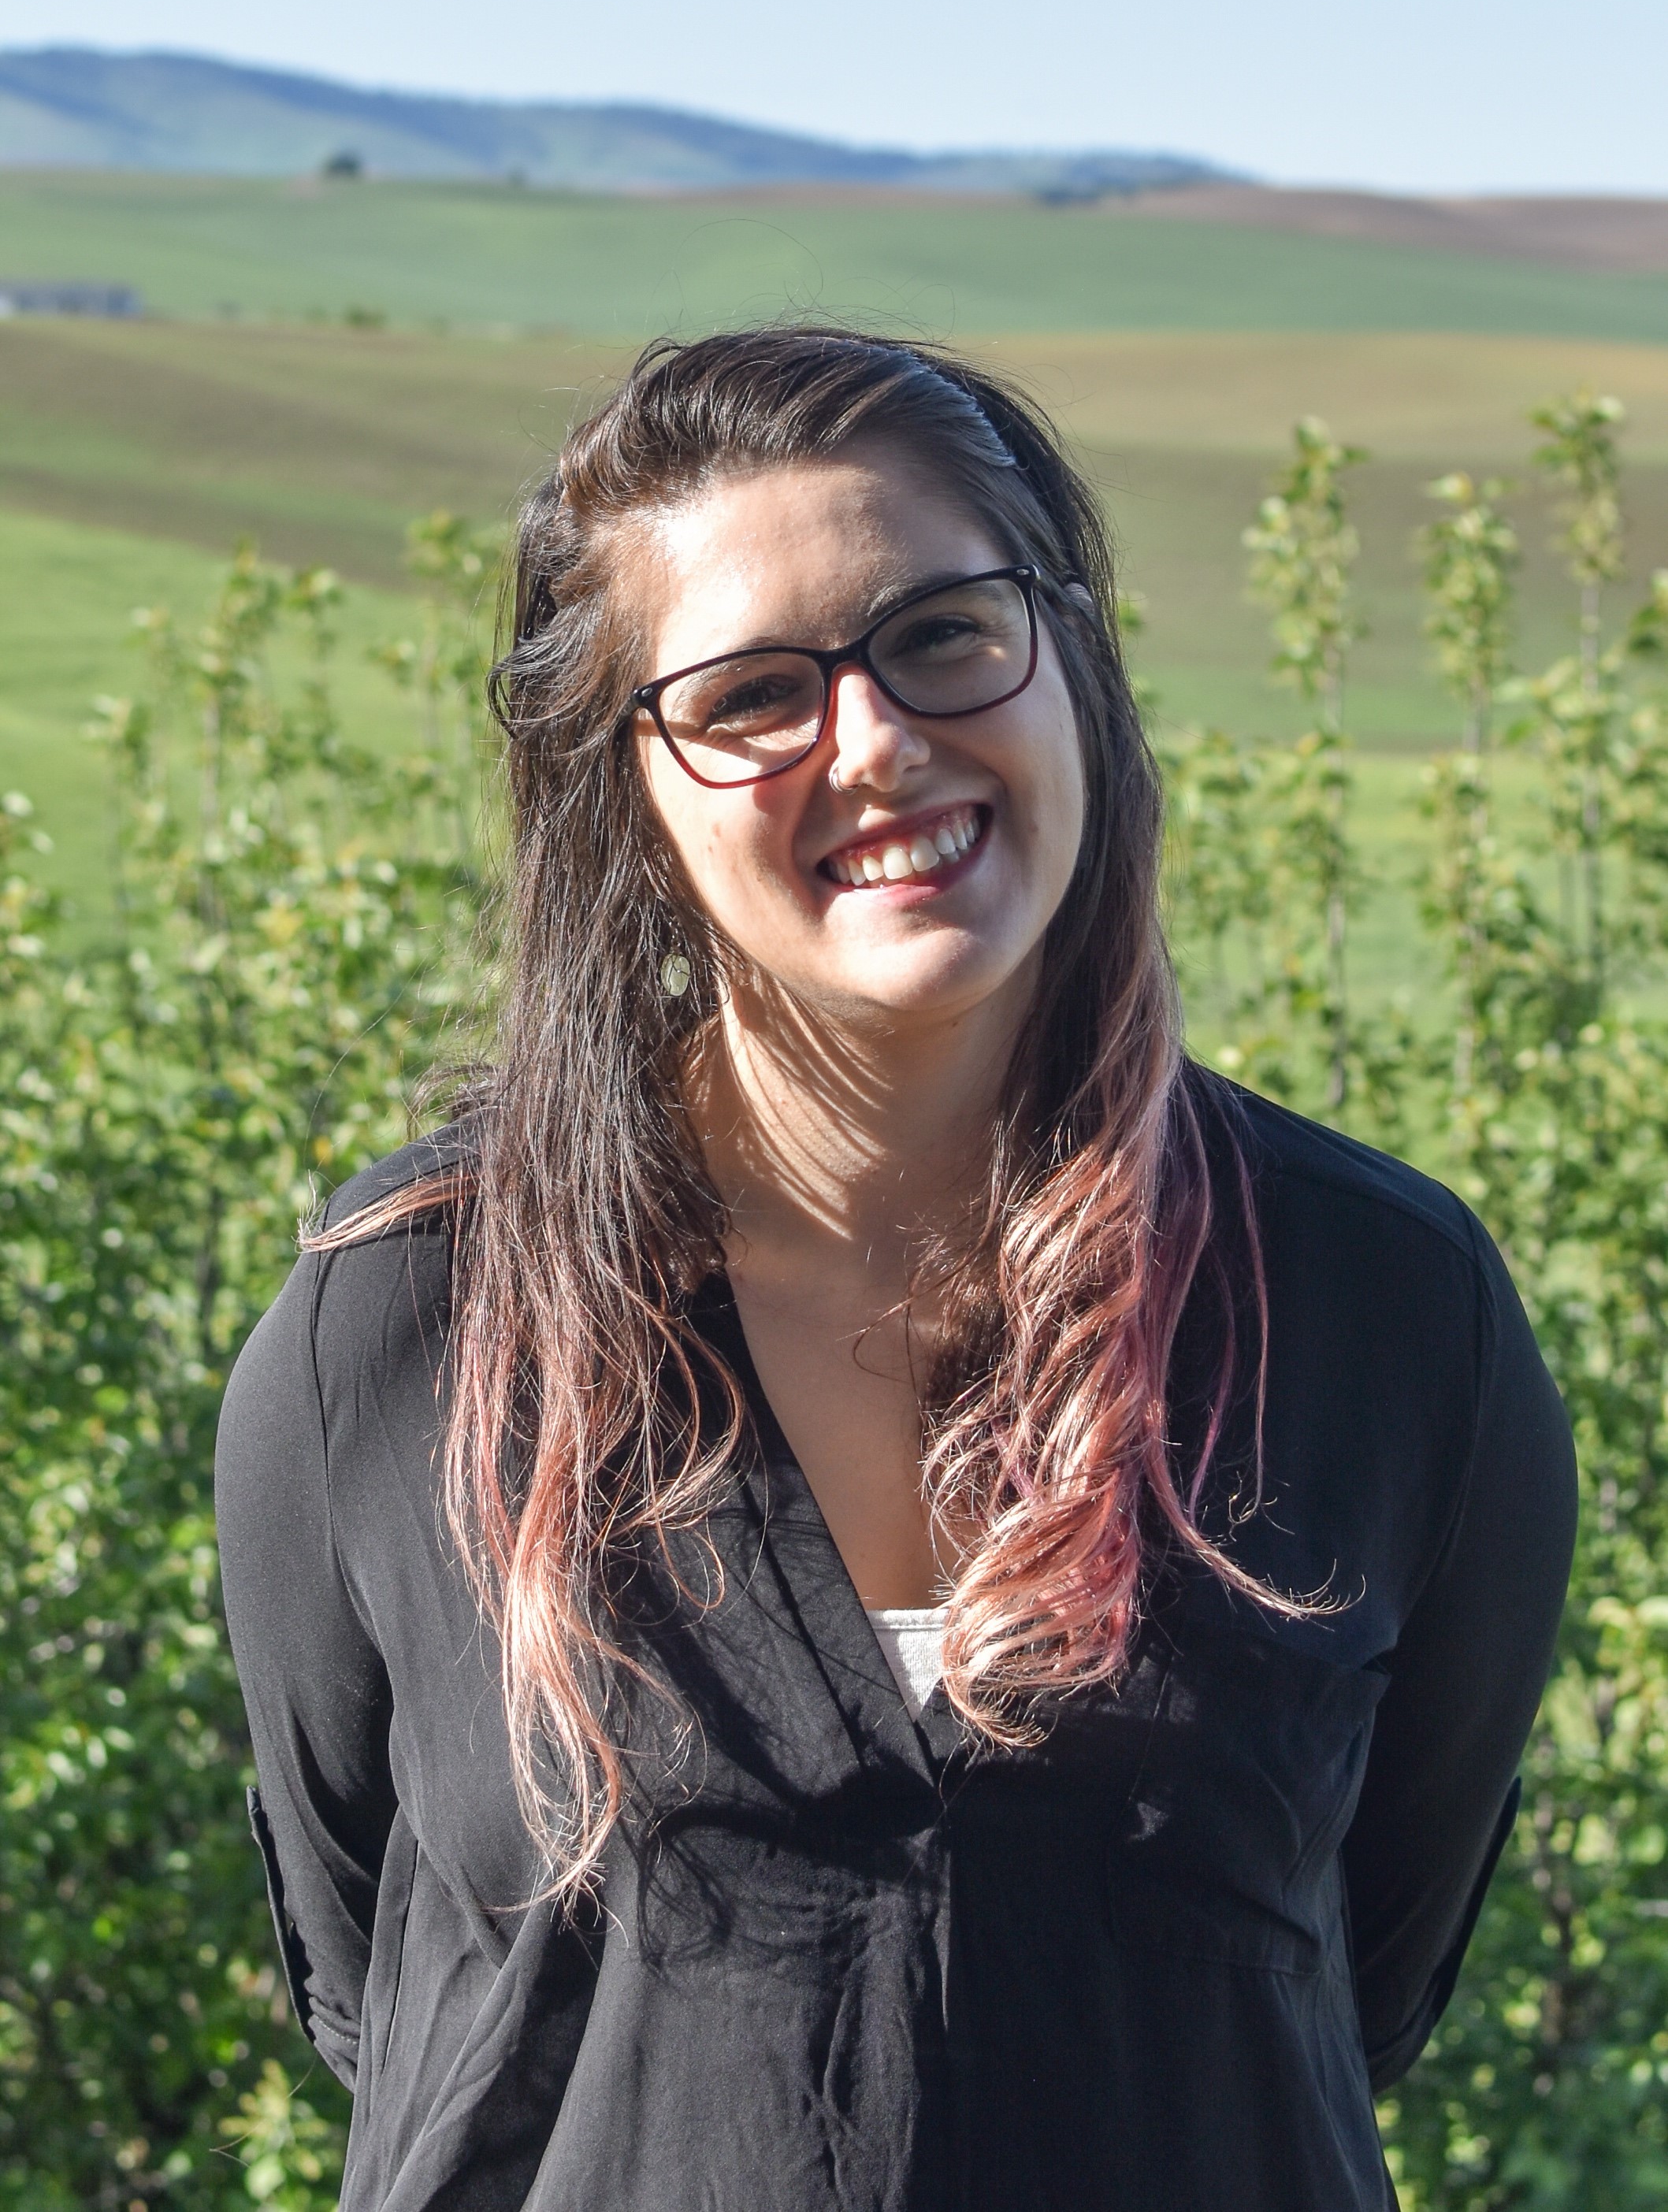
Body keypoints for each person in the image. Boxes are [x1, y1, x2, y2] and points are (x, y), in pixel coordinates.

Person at [217, 328, 1577, 2212]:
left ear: (1072, 666)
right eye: (754, 693)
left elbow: (1353, 1979)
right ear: (627, 794)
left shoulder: (1387, 1310)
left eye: (943, 633)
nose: (872, 742)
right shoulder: (406, 1328)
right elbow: (394, 1988)